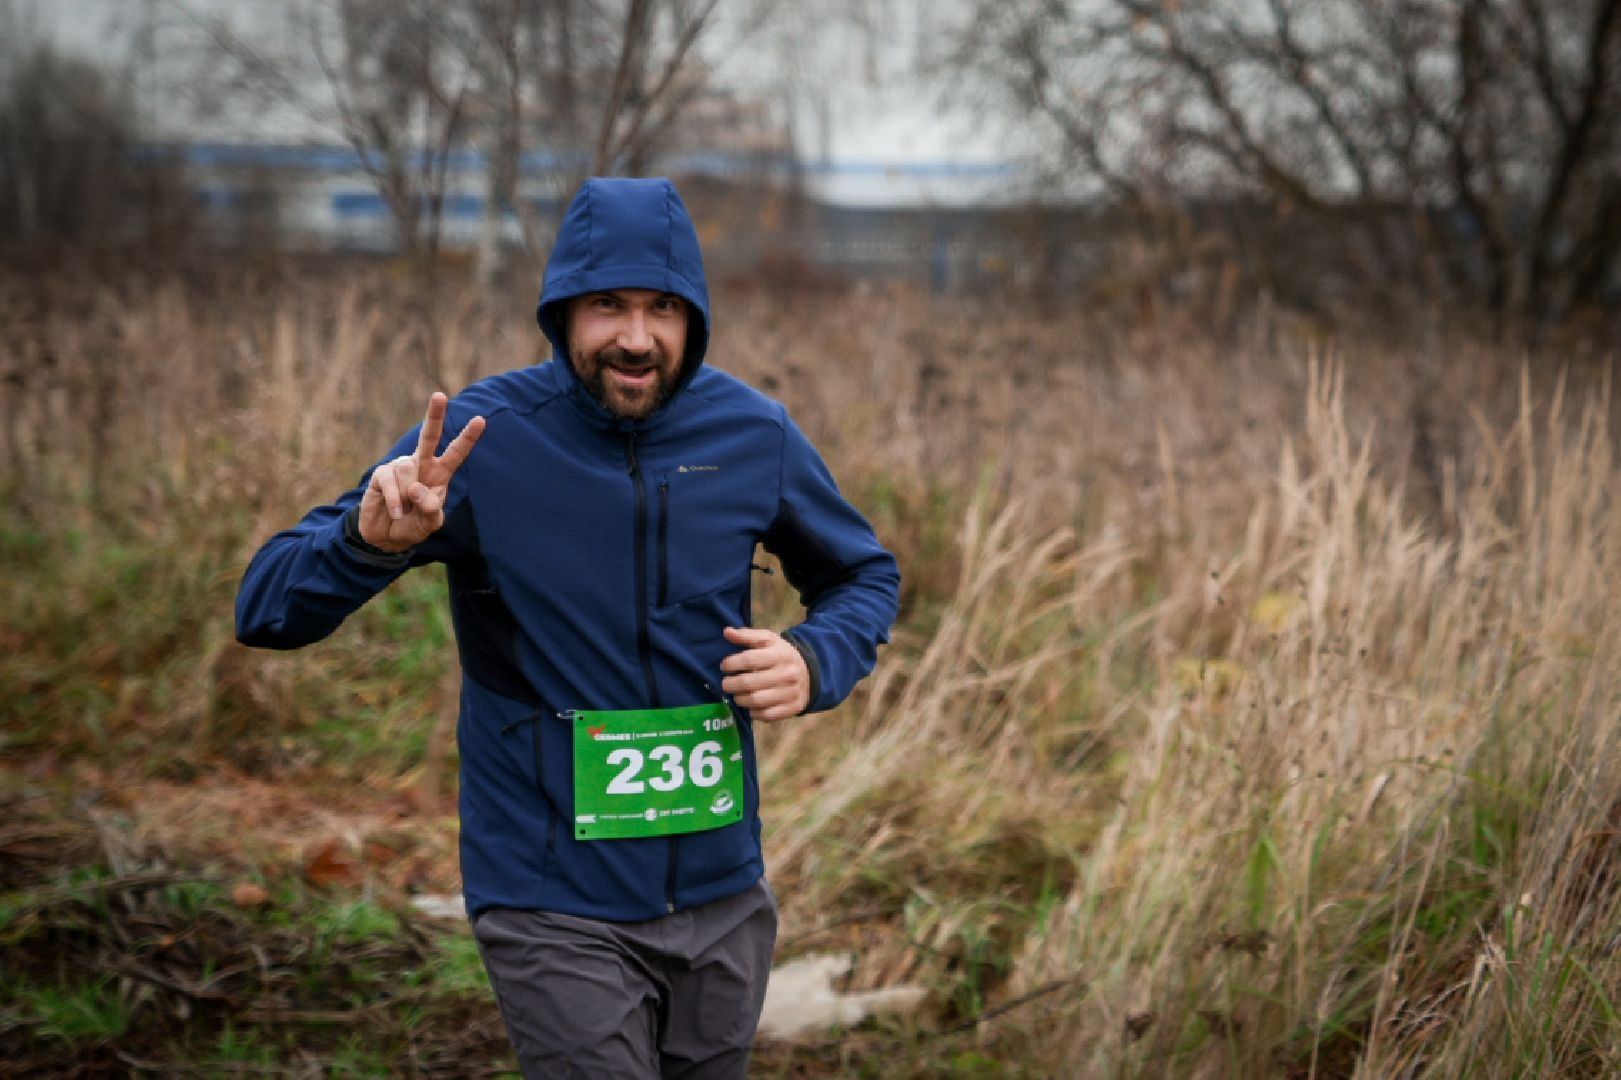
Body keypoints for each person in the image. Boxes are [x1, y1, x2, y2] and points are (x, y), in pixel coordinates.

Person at [234, 176, 901, 1077]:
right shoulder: (485, 441)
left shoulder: (753, 434)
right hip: (551, 899)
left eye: (662, 307)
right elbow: (265, 607)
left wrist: (816, 658)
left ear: (694, 319)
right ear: (562, 313)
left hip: (722, 896)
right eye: (608, 306)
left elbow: (862, 574)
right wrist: (364, 542)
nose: (637, 336)